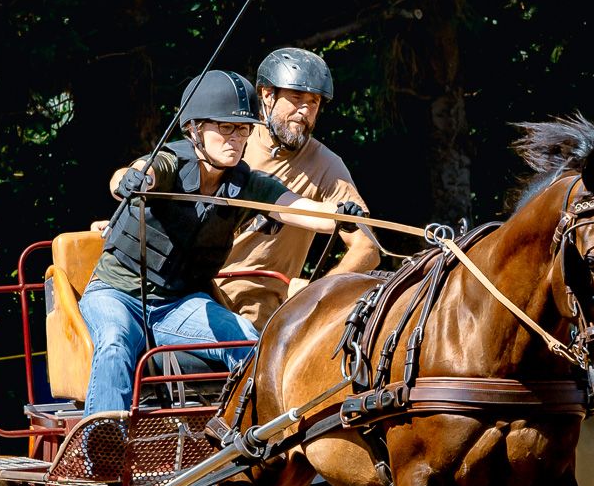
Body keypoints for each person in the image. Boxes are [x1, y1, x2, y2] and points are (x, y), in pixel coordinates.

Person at [79, 69, 366, 415]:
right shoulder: (171, 161)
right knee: (114, 342)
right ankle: (101, 449)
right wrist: (130, 179)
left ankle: (251, 441)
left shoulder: (248, 184)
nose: (236, 138)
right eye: (225, 127)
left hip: (177, 304)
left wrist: (338, 214)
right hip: (116, 293)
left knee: (246, 340)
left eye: (243, 129)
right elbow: (136, 172)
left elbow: (299, 209)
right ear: (195, 129)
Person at [215, 47, 380, 330]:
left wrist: (318, 292)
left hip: (264, 310)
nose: (304, 110)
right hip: (201, 293)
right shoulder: (231, 141)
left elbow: (368, 248)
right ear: (267, 95)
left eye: (313, 102)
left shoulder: (326, 164)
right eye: (296, 98)